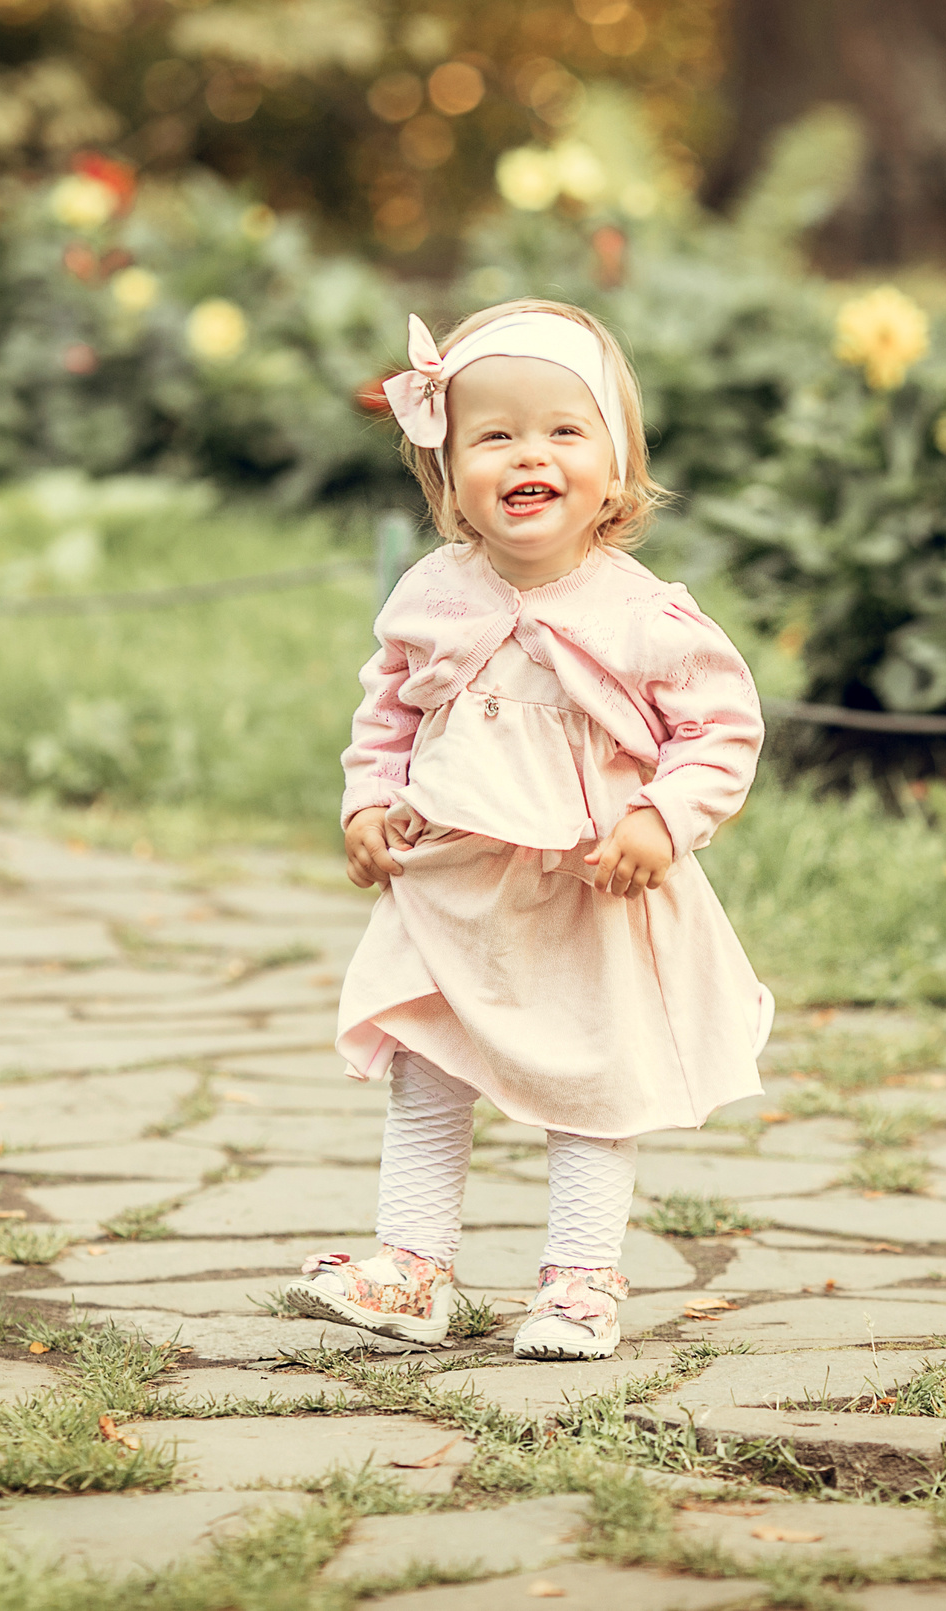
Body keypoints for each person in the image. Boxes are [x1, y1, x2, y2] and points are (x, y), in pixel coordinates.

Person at [282, 300, 773, 1361]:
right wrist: (367, 802)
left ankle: (580, 1279)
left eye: (562, 431)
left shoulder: (643, 615)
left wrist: (662, 817)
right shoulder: (433, 594)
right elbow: (390, 712)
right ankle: (413, 1266)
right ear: (447, 469)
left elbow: (721, 731)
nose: (526, 455)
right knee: (424, 1060)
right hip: (449, 879)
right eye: (492, 436)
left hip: (583, 885)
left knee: (591, 1083)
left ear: (614, 468)